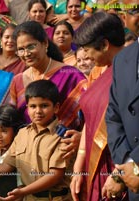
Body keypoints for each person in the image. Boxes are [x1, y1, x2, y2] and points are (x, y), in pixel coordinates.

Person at [0, 80, 72, 200]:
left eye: (44, 106)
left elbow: (54, 176)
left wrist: (23, 191)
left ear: (56, 107)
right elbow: (6, 167)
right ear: (27, 108)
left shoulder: (63, 136)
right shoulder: (22, 133)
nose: (38, 111)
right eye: (33, 106)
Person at [70, 12, 126, 201]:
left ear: (104, 45)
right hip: (95, 164)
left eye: (87, 49)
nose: (85, 56)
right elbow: (91, 118)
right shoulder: (101, 72)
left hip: (119, 167)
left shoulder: (129, 73)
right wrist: (79, 164)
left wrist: (120, 175)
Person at [10, 21, 86, 159]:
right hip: (27, 155)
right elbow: (15, 120)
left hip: (63, 152)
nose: (26, 53)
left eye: (31, 46)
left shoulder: (70, 74)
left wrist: (82, 138)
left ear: (45, 43)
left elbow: (92, 114)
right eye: (21, 49)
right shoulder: (18, 80)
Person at [105, 1, 139, 199]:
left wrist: (136, 163)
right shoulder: (122, 59)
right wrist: (126, 166)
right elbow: (114, 115)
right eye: (135, 10)